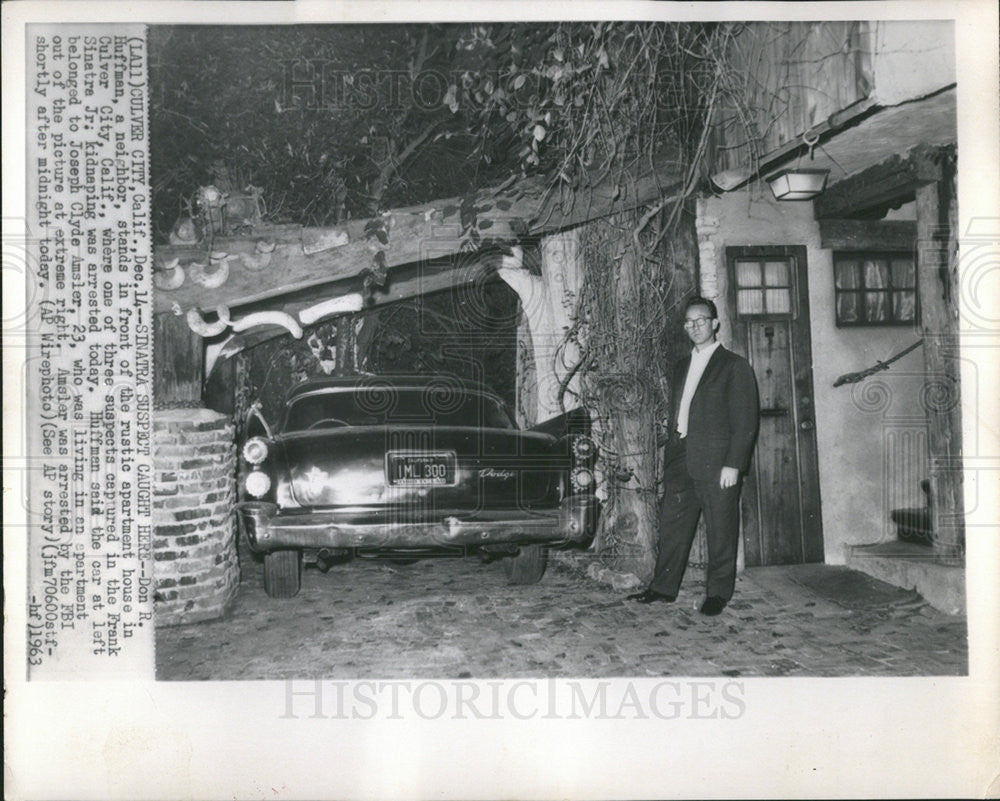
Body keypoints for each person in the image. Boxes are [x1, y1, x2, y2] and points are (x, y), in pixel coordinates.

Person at [627, 296, 759, 616]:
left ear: (715, 323)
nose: (694, 327)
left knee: (721, 529)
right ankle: (663, 587)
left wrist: (734, 464)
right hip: (681, 458)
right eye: (689, 322)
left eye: (701, 320)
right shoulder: (682, 366)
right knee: (673, 527)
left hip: (718, 463)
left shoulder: (734, 366)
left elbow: (746, 420)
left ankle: (718, 593)